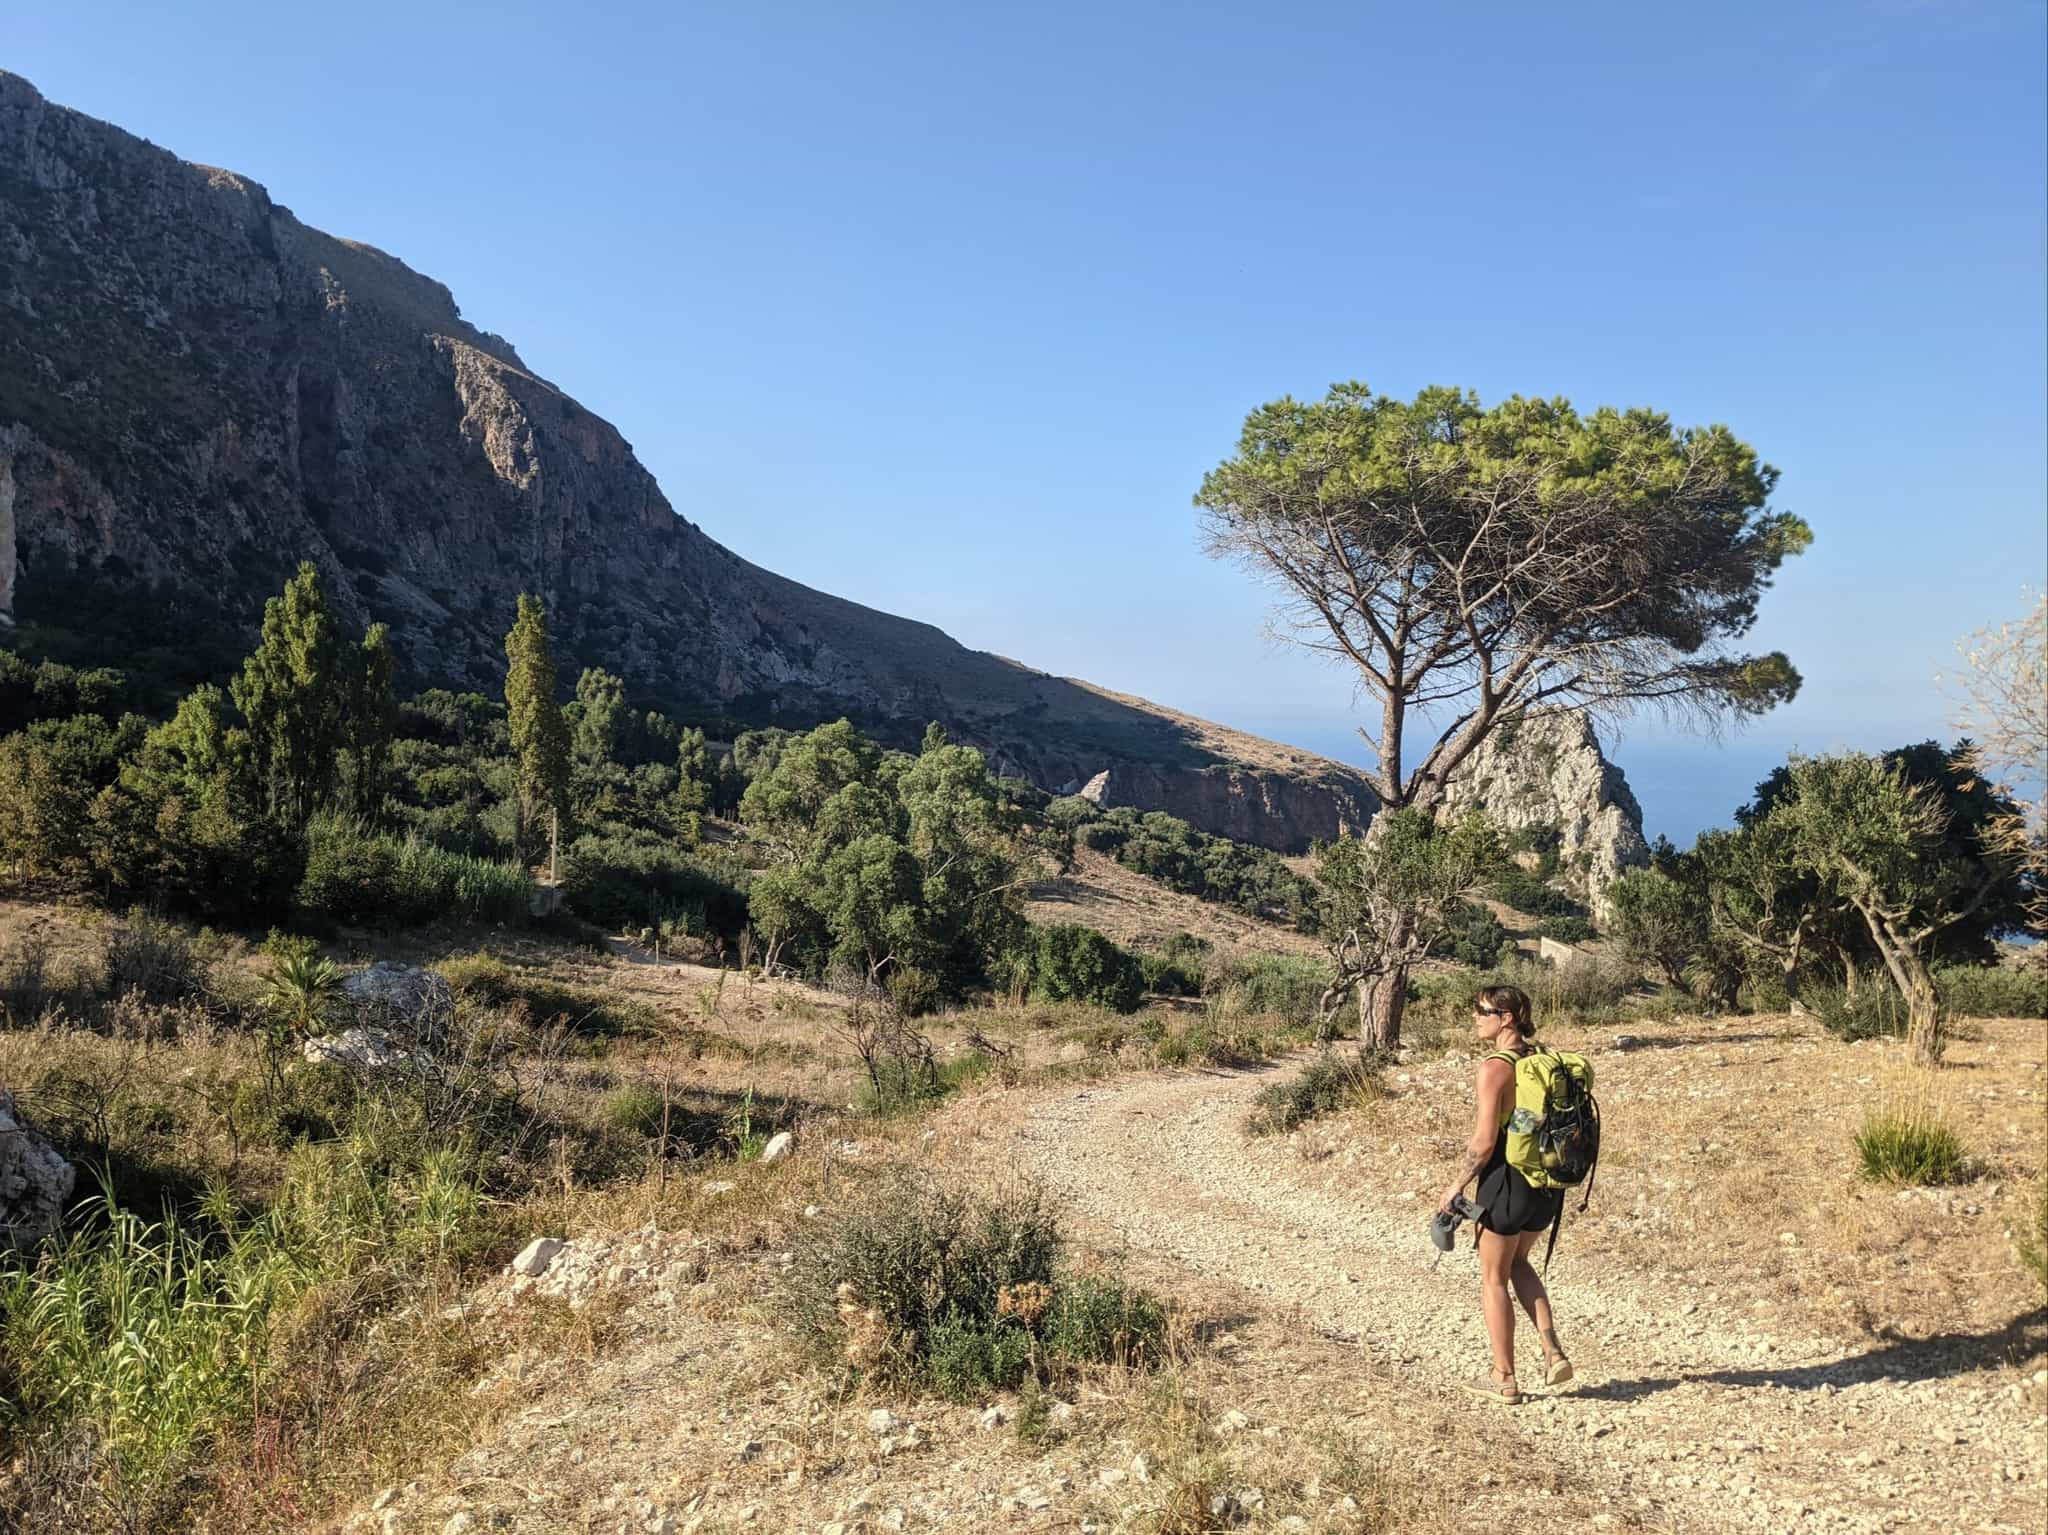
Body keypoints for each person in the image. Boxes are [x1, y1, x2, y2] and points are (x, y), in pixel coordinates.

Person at [1437, 984, 1572, 1404]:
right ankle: (1552, 1350)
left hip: (1505, 1181)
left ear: (1506, 1018)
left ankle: (1503, 1377)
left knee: (1493, 1278)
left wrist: (1457, 1186)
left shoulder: (1495, 1067)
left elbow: (1483, 1142)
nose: (1475, 1017)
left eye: (1482, 1011)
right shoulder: (1540, 1058)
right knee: (1519, 1262)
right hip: (1545, 1184)